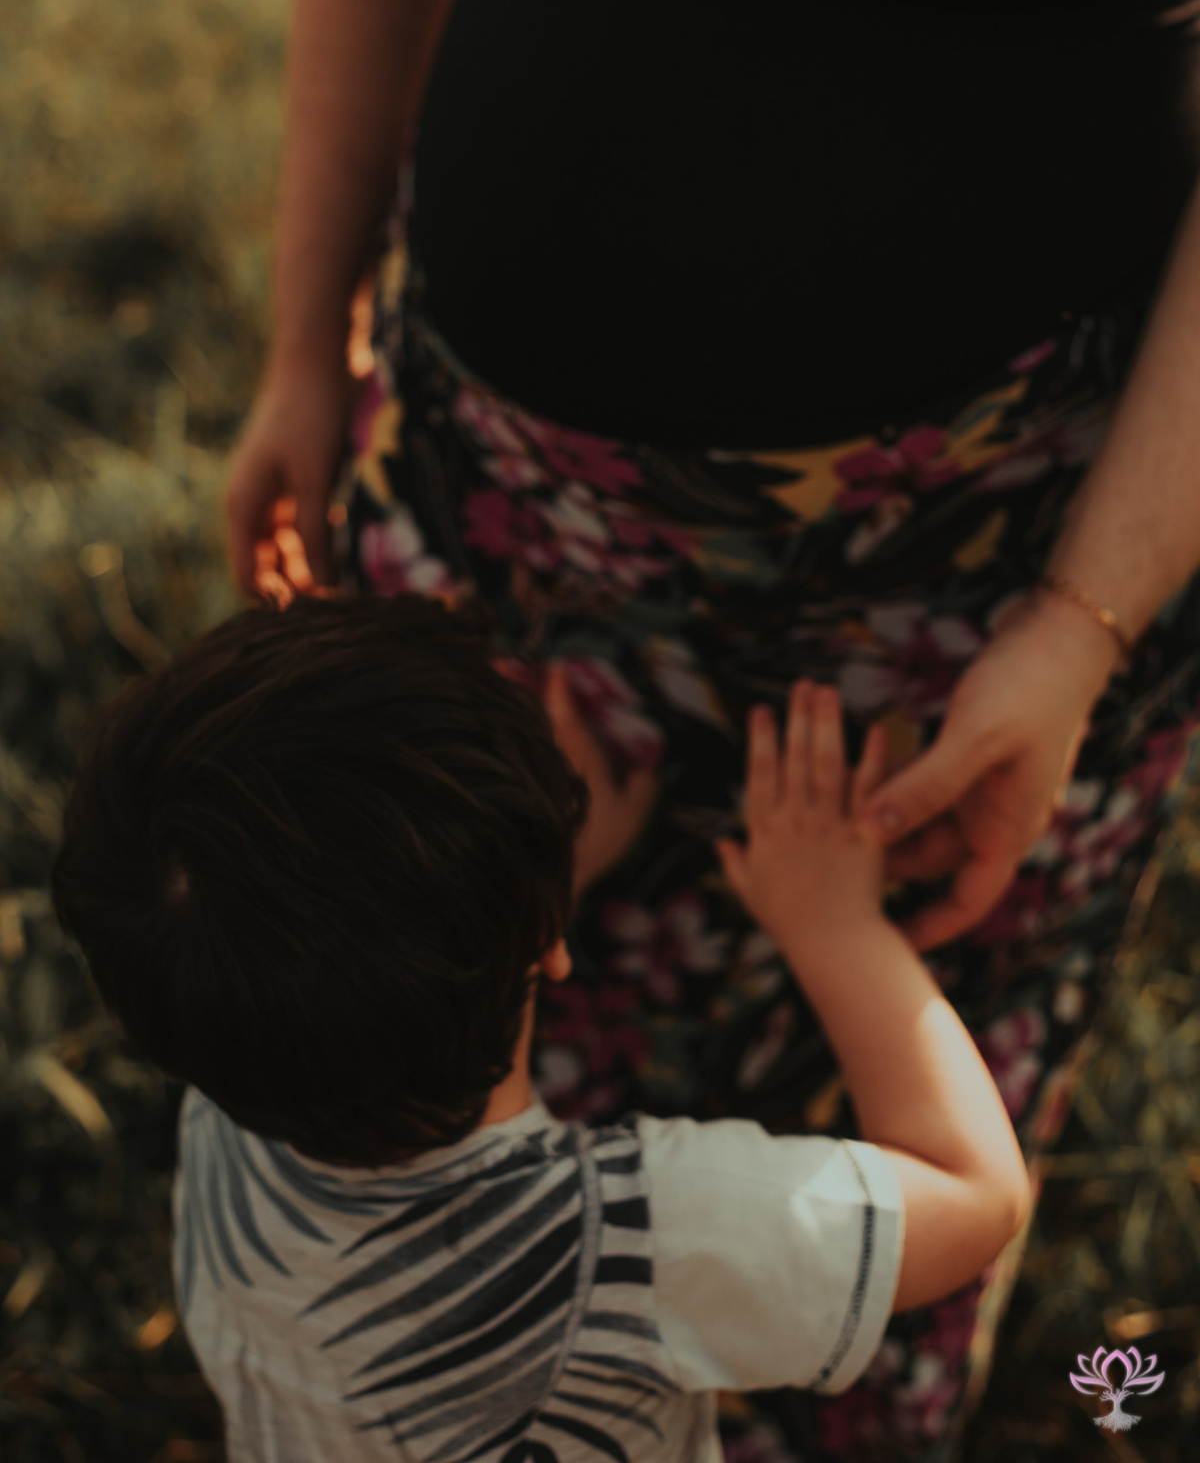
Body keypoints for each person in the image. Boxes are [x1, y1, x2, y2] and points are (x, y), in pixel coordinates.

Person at [224, 0, 1200, 1452]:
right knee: (703, 1153)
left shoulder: (255, 1198)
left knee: (769, 1129)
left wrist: (1076, 625)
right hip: (501, 524)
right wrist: (309, 343)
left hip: (956, 593)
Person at [52, 595, 1029, 1463]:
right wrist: (836, 925)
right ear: (546, 946)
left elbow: (331, 955)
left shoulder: (226, 1072)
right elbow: (974, 1195)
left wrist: (520, 893)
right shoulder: (629, 1248)